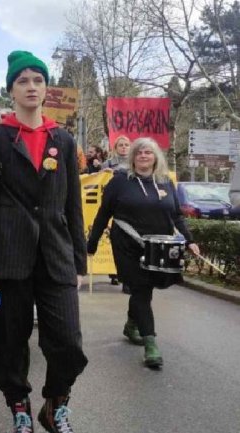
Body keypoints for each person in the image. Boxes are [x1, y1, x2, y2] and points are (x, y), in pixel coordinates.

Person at [0, 50, 87, 433]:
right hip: (9, 259)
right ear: (11, 90)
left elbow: (72, 205)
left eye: (38, 79)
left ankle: (55, 405)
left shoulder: (64, 141)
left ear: (46, 87)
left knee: (68, 343)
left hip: (56, 257)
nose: (32, 86)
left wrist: (80, 262)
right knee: (10, 342)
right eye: (23, 81)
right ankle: (19, 406)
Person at [87, 137, 199, 369]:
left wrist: (190, 241)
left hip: (157, 246)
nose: (144, 156)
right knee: (140, 289)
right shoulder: (119, 182)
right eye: (139, 153)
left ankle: (131, 324)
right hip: (127, 244)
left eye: (148, 152)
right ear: (133, 157)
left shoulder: (165, 182)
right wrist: (92, 243)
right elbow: (103, 213)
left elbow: (176, 216)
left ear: (155, 156)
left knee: (144, 290)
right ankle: (151, 344)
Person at [101, 135, 132, 292]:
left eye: (127, 144)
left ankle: (127, 280)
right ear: (116, 147)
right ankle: (114, 273)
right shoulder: (107, 164)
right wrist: (103, 173)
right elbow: (98, 181)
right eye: (121, 145)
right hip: (111, 207)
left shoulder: (136, 163)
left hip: (128, 209)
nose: (124, 147)